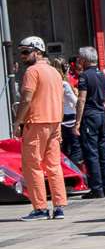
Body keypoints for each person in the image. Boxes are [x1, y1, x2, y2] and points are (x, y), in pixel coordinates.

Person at [14, 37, 68, 221]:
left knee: (32, 166)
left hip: (37, 122)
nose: (22, 56)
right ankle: (59, 206)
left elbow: (27, 99)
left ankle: (40, 208)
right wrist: (59, 122)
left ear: (37, 51)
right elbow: (61, 100)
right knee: (53, 166)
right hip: (54, 122)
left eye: (25, 52)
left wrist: (17, 122)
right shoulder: (54, 72)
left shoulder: (32, 71)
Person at [73, 46, 105, 199]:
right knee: (104, 152)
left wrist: (77, 122)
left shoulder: (84, 76)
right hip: (102, 116)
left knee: (91, 153)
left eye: (79, 58)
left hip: (89, 117)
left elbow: (81, 99)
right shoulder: (103, 75)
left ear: (84, 60)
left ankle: (96, 188)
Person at [53, 57, 82, 166]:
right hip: (70, 116)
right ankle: (75, 171)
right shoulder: (64, 84)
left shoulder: (52, 83)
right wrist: (77, 95)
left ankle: (64, 169)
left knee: (65, 147)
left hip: (59, 117)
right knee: (76, 147)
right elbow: (75, 102)